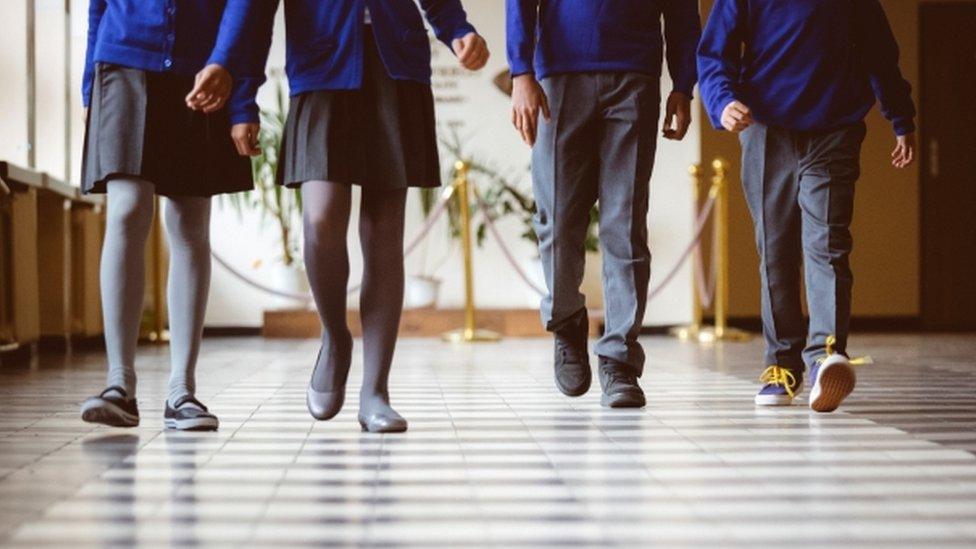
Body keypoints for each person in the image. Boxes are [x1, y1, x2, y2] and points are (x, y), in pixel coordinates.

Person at [243, 1, 489, 432]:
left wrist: (457, 30)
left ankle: (376, 390)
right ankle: (335, 337)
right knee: (319, 219)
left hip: (397, 64)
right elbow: (253, 12)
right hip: (322, 63)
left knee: (383, 233)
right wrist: (242, 97)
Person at [698, 0, 917, 411]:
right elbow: (714, 53)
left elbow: (879, 50)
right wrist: (721, 100)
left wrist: (900, 117)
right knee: (775, 250)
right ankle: (781, 365)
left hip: (834, 128)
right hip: (765, 129)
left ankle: (825, 356)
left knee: (828, 243)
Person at [79, 0, 263, 431]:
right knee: (126, 209)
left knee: (189, 223)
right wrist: (90, 88)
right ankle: (118, 385)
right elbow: (97, 6)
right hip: (121, 62)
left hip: (206, 69)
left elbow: (249, 9)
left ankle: (182, 390)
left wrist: (240, 96)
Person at [506, 1, 701, 407]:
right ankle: (567, 322)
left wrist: (684, 84)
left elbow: (683, 10)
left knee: (625, 222)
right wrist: (521, 71)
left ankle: (619, 360)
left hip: (635, 77)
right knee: (557, 220)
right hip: (558, 78)